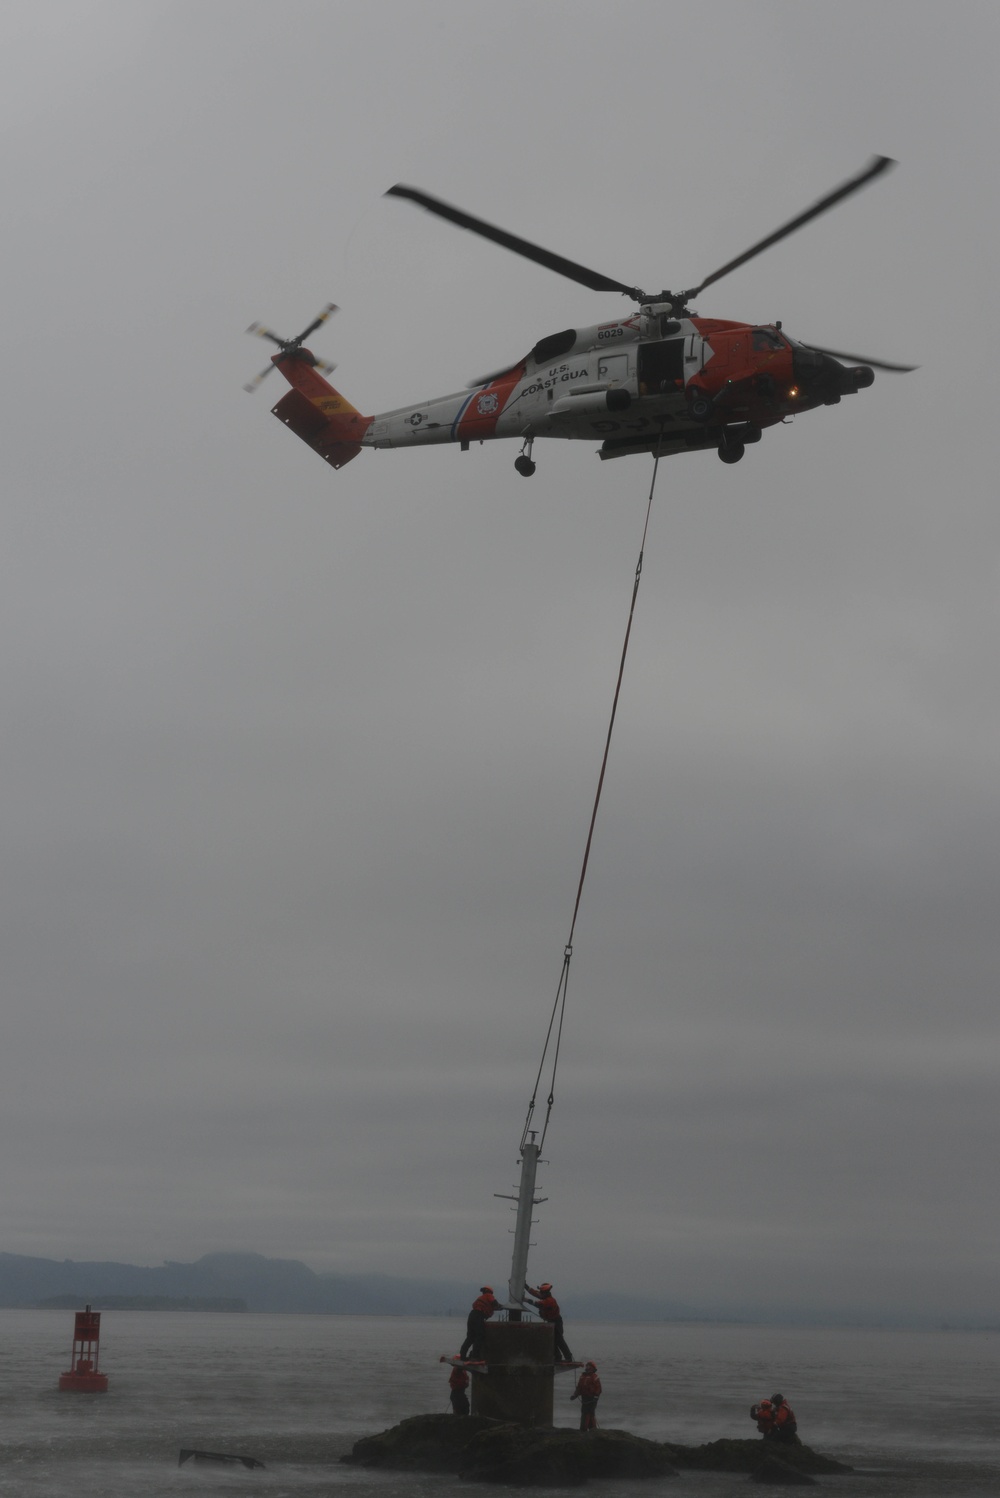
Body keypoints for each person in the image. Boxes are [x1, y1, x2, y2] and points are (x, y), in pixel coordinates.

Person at [524, 1281, 573, 1362]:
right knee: (552, 1340)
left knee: (559, 1340)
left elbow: (537, 1304)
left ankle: (568, 1357)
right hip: (551, 1322)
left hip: (556, 1322)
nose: (540, 1294)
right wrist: (525, 1286)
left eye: (541, 1292)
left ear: (545, 1293)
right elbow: (533, 1292)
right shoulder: (545, 1297)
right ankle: (557, 1357)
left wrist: (525, 1300)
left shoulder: (550, 1301)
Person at [459, 1285, 500, 1361]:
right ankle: (475, 1356)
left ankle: (462, 1355)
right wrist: (499, 1306)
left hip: (472, 1315)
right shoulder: (489, 1295)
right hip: (478, 1316)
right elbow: (494, 1303)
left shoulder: (480, 1298)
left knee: (470, 1337)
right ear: (490, 1292)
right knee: (480, 1336)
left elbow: (477, 1305)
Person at [570, 1360, 602, 1431]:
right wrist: (574, 1395)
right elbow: (579, 1388)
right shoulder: (582, 1376)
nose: (587, 1367)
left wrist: (595, 1398)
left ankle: (591, 1429)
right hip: (584, 1398)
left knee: (590, 1413)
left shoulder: (595, 1377)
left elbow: (598, 1389)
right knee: (584, 1413)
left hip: (592, 1399)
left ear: (592, 1368)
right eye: (587, 1365)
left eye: (589, 1366)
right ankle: (585, 1429)